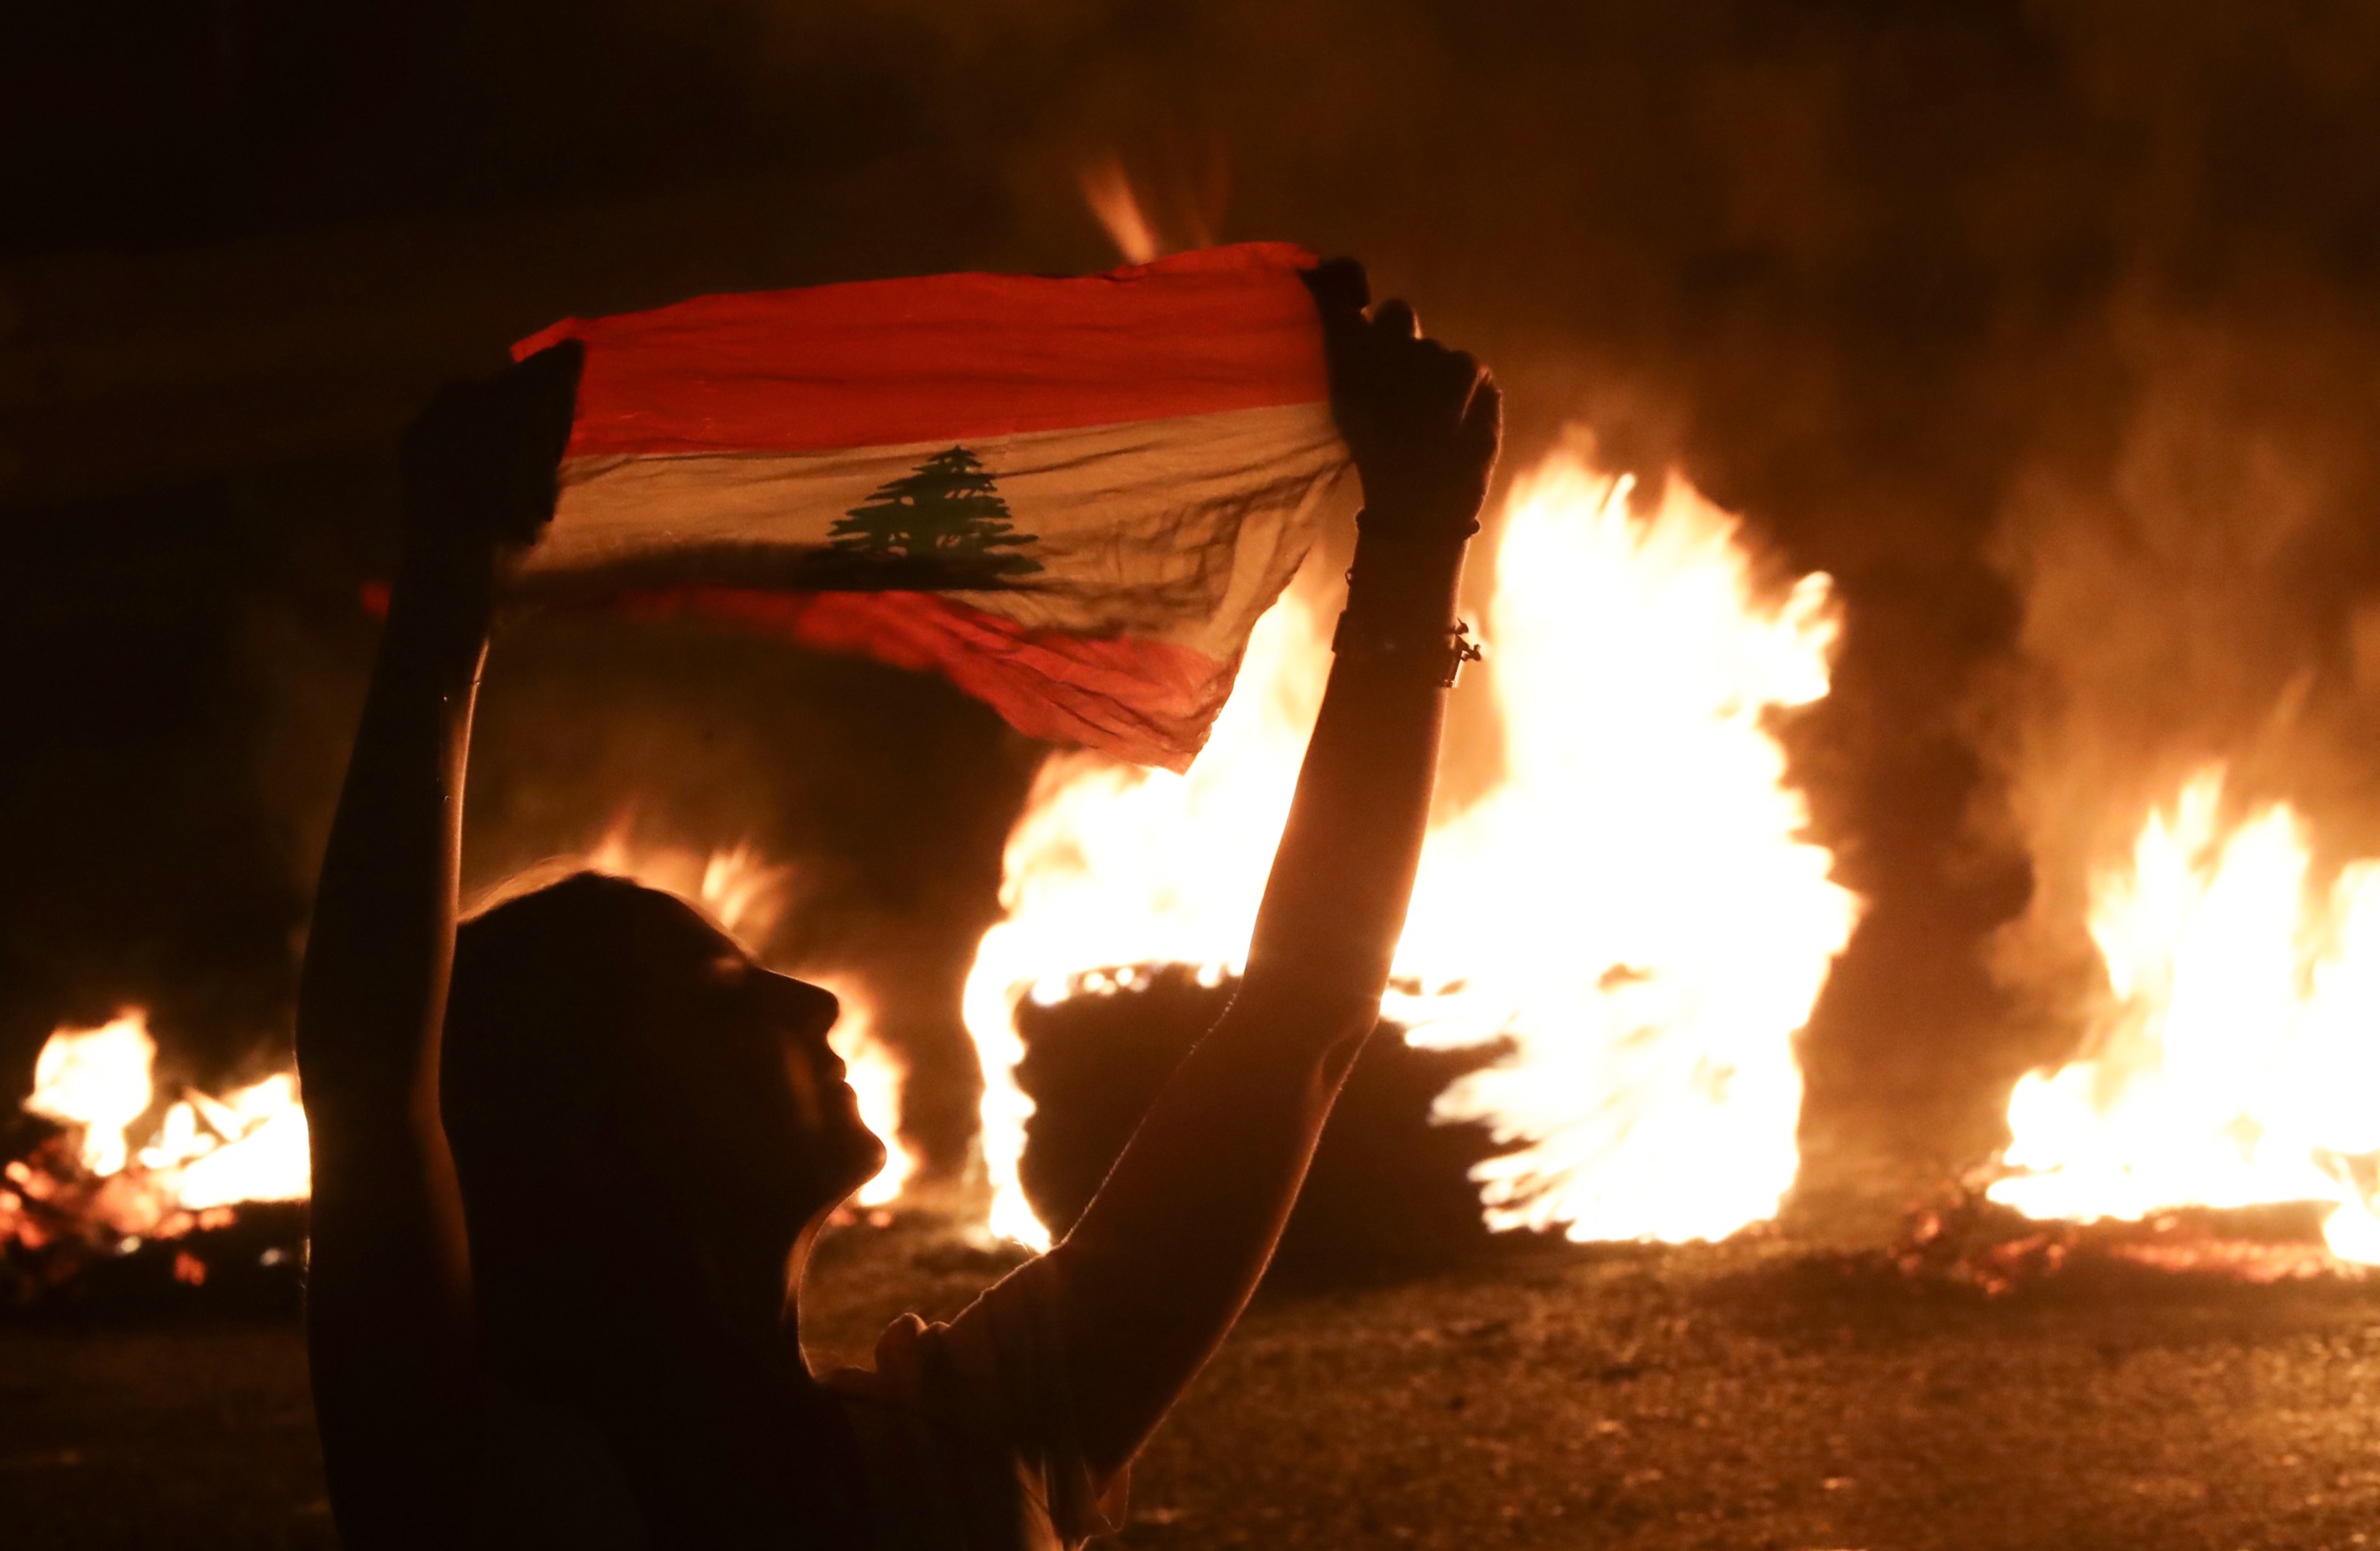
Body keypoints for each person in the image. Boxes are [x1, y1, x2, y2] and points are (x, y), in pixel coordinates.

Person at [295, 258, 1501, 1550]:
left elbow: (1303, 1010)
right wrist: (443, 603)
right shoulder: (503, 1492)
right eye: (717, 998)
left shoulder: (979, 1430)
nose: (809, 997)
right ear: (592, 1124)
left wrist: (1419, 545)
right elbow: (374, 1089)